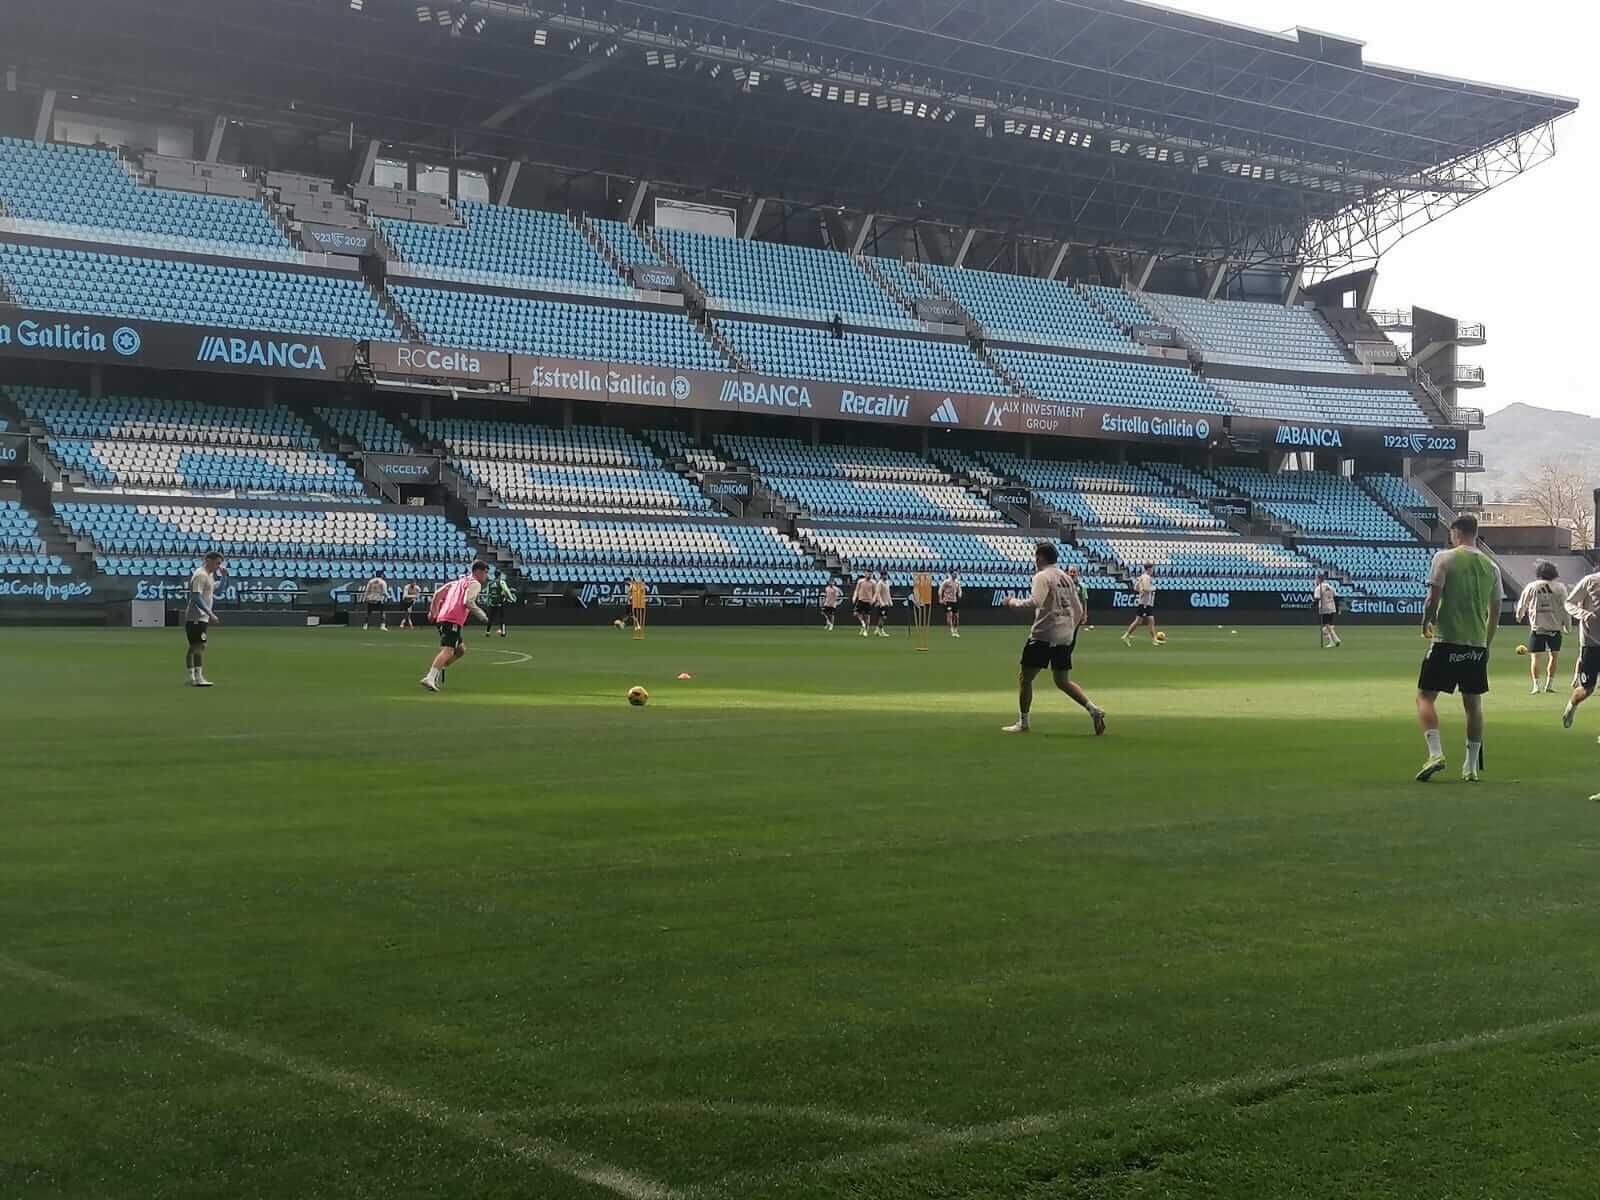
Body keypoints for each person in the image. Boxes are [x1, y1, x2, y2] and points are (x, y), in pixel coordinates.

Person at [1416, 514, 1502, 782]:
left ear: (1456, 531)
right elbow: (1495, 613)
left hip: (1447, 640)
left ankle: (1435, 753)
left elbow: (1433, 597)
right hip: (1476, 643)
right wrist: (1485, 645)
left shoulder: (1444, 558)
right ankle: (1471, 766)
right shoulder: (1491, 566)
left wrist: (1426, 621)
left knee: (1425, 697)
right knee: (1473, 704)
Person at [1001, 542, 1106, 736]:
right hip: (1065, 636)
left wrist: (1012, 602)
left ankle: (1023, 722)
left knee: (1025, 678)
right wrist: (1070, 630)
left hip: (1044, 634)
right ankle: (1093, 709)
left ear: (1040, 558)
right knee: (1062, 680)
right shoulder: (1066, 578)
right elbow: (1079, 609)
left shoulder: (1042, 576)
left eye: (1036, 557)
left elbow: (1035, 601)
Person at [420, 561, 490, 693]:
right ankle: (430, 677)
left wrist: (433, 612)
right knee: (448, 650)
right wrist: (482, 615)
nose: (486, 576)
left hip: (443, 617)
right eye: (486, 572)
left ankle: (439, 667)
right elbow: (468, 601)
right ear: (479, 571)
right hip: (453, 619)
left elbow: (437, 594)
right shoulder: (474, 583)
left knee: (461, 650)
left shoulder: (457, 582)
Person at [1516, 560, 1568, 695]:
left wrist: (1519, 615)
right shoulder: (1560, 587)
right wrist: (1567, 625)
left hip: (1537, 628)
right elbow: (1565, 608)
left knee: (1535, 658)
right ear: (1554, 573)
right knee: (1554, 657)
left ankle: (1536, 686)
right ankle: (1549, 685)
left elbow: (1523, 603)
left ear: (1539, 573)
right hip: (1555, 628)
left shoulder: (1531, 586)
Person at [1560, 568, 1600, 730]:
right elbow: (1568, 603)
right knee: (1587, 689)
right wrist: (1584, 614)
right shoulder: (1590, 580)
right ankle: (1571, 706)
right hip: (1592, 643)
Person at [183, 551, 224, 687]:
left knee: (195, 646)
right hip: (197, 616)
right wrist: (210, 613)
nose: (219, 566)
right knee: (199, 646)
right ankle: (198, 677)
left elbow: (218, 591)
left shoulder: (209, 576)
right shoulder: (200, 575)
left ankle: (192, 675)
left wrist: (224, 578)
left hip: (201, 617)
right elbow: (196, 596)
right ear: (208, 561)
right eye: (217, 563)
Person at [1123, 564, 1160, 645]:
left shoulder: (1142, 577)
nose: (1153, 571)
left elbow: (1135, 588)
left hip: (1144, 602)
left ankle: (1127, 635)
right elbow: (1146, 589)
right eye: (1152, 569)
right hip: (1145, 603)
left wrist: (1141, 589)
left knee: (1141, 621)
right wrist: (1153, 588)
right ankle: (1154, 639)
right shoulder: (1146, 577)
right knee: (1148, 621)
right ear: (1149, 569)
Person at [484, 569, 516, 638]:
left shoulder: (490, 583)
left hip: (492, 603)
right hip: (500, 602)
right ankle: (503, 632)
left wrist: (487, 602)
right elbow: (506, 590)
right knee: (502, 618)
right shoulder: (501, 582)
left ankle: (487, 632)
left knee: (491, 618)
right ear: (500, 575)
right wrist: (512, 599)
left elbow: (488, 594)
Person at [1313, 573, 1342, 648]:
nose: (1316, 580)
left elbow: (1317, 599)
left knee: (1327, 626)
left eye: (1316, 579)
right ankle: (1332, 642)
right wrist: (1338, 608)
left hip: (1324, 608)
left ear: (1319, 579)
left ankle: (1336, 639)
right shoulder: (1330, 587)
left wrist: (1311, 606)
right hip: (1332, 608)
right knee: (1326, 628)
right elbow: (1336, 598)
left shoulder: (1318, 588)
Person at [939, 570, 963, 638]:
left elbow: (959, 590)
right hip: (947, 601)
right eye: (954, 574)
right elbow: (941, 590)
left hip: (954, 601)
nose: (955, 575)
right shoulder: (946, 582)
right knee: (950, 615)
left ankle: (956, 631)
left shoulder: (957, 582)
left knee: (956, 617)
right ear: (951, 574)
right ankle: (952, 630)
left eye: (956, 574)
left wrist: (960, 594)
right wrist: (940, 599)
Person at [852, 572, 875, 637]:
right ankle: (863, 624)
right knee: (856, 613)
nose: (869, 575)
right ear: (865, 574)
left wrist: (873, 600)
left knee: (867, 617)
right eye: (868, 574)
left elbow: (875, 592)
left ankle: (865, 631)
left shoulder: (873, 582)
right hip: (861, 600)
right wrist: (854, 597)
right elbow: (856, 590)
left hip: (868, 601)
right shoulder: (860, 581)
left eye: (870, 574)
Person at [875, 570, 893, 638]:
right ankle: (881, 631)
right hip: (881, 604)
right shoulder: (880, 583)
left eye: (886, 575)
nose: (885, 576)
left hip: (886, 603)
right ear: (881, 576)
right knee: (882, 617)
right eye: (884, 575)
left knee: (882, 618)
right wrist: (881, 602)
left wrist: (890, 601)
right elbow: (878, 593)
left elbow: (888, 593)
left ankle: (877, 630)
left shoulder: (887, 582)